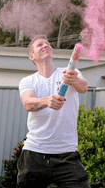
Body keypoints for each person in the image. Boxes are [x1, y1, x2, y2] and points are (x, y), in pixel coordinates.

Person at [17, 35, 90, 188]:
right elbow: (28, 103)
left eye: (47, 43)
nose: (45, 45)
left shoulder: (70, 72)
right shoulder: (28, 81)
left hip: (67, 155)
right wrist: (46, 101)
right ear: (32, 56)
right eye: (39, 45)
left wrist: (74, 80)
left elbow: (83, 88)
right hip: (34, 154)